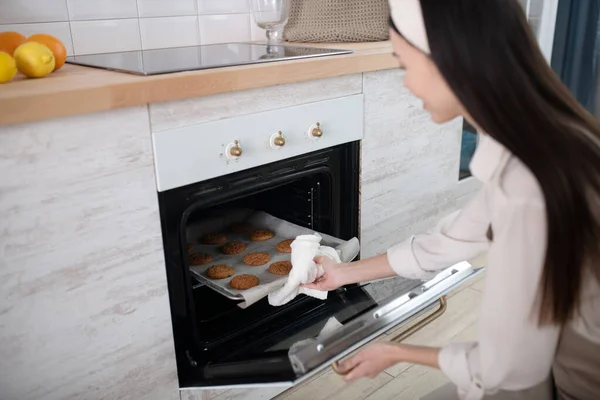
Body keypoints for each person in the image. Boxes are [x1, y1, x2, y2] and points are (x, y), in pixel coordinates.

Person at [302, 0, 600, 399]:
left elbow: (505, 369)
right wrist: (342, 274)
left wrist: (395, 352)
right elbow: (448, 242)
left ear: (449, 60)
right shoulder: (551, 142)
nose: (406, 82)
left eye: (406, 65)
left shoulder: (527, 186)